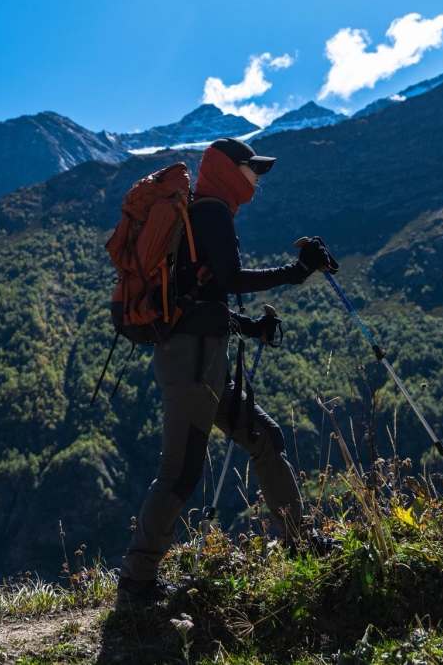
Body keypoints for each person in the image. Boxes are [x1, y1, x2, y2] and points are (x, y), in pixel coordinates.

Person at [117, 138, 339, 606]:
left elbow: (200, 298)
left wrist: (250, 327)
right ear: (227, 170)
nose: (258, 177)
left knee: (265, 437)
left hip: (201, 358)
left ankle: (299, 542)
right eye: (253, 168)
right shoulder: (212, 212)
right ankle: (137, 580)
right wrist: (297, 270)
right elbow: (232, 279)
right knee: (180, 471)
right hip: (194, 364)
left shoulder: (201, 213)